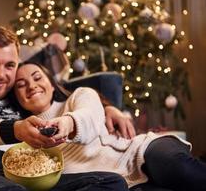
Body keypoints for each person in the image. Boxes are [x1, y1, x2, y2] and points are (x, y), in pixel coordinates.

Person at [0, 26, 131, 191]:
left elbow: (58, 93)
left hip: (24, 174)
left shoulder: (18, 98)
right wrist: (15, 129)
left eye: (9, 65)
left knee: (112, 183)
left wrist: (108, 108)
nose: (1, 74)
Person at [13, 61, 206, 191]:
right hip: (106, 182)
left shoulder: (79, 96)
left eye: (37, 77)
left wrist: (68, 122)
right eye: (21, 84)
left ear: (52, 84)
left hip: (137, 150)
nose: (31, 86)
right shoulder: (24, 135)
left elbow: (89, 115)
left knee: (173, 166)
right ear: (16, 97)